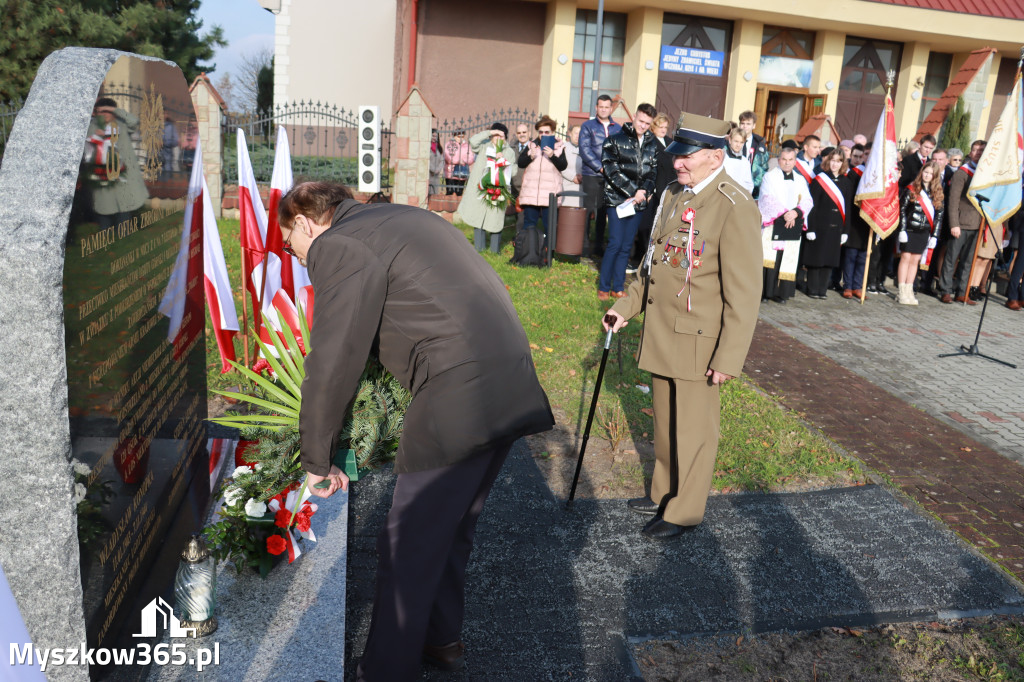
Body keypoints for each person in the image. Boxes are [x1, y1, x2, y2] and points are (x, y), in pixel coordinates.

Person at [278, 182, 554, 681]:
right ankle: (440, 640)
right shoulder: (403, 218)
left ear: (304, 222)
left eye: (288, 244)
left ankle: (386, 671)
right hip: (508, 375)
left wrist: (316, 461)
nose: (295, 257)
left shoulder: (336, 244)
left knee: (407, 541)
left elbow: (334, 357)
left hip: (460, 390)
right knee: (447, 529)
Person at [601, 114, 762, 540]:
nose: (677, 165)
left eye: (687, 158)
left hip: (699, 342)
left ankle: (685, 511)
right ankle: (664, 493)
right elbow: (652, 266)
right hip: (664, 332)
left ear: (714, 157)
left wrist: (728, 357)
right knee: (666, 424)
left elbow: (744, 295)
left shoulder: (734, 207)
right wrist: (624, 306)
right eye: (677, 157)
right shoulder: (676, 194)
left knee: (693, 429)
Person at [598, 102, 657, 300]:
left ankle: (617, 287)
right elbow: (610, 170)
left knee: (626, 246)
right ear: (634, 117)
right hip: (617, 200)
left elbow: (653, 172)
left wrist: (645, 191)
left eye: (648, 123)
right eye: (641, 121)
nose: (643, 126)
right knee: (615, 242)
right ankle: (603, 287)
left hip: (638, 203)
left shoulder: (652, 144)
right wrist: (634, 191)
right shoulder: (614, 140)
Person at [758, 146, 812, 303]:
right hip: (774, 223)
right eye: (784, 160)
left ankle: (780, 293)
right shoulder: (769, 177)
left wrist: (796, 212)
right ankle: (764, 293)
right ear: (779, 160)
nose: (787, 163)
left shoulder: (800, 180)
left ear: (795, 161)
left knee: (785, 258)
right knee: (769, 257)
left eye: (790, 160)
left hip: (792, 224)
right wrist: (785, 213)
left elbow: (808, 200)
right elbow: (766, 198)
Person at [938, 139, 986, 304]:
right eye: (976, 150)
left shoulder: (986, 174)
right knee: (951, 258)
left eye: (981, 150)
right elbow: (953, 200)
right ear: (971, 153)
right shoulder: (962, 173)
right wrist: (954, 224)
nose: (978, 153)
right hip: (960, 223)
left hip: (977, 224)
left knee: (968, 261)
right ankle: (945, 290)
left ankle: (962, 292)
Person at [457, 123, 515, 253]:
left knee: (496, 219)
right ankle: (479, 249)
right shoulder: (484, 147)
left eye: (502, 136)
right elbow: (473, 141)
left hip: (498, 190)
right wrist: (490, 131)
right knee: (478, 217)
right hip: (481, 188)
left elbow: (512, 171)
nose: (498, 138)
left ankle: (495, 250)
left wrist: (503, 162)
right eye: (495, 135)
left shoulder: (509, 152)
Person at [804, 148, 851, 299]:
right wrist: (810, 227)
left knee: (829, 260)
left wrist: (845, 231)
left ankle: (822, 290)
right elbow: (812, 205)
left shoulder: (846, 182)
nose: (835, 164)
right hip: (819, 225)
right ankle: (812, 289)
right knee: (816, 259)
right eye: (833, 160)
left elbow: (848, 208)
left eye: (838, 161)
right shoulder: (820, 179)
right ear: (828, 161)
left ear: (843, 163)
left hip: (836, 227)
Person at [579, 94, 622, 257]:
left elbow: (620, 150)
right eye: (601, 106)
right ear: (596, 108)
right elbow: (585, 150)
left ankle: (598, 246)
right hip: (591, 173)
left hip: (610, 177)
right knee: (587, 210)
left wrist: (613, 169)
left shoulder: (617, 128)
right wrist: (600, 168)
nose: (603, 109)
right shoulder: (587, 126)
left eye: (606, 107)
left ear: (611, 108)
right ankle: (583, 246)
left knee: (603, 211)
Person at [516, 115, 568, 250]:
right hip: (531, 193)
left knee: (549, 226)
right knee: (529, 224)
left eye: (547, 132)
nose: (543, 135)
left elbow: (563, 166)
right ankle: (528, 252)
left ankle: (547, 254)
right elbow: (520, 163)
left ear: (552, 132)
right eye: (540, 132)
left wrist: (552, 155)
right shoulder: (531, 145)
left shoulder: (559, 147)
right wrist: (530, 156)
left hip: (550, 194)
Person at [896, 161, 944, 305]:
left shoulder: (937, 193)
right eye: (925, 172)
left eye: (931, 174)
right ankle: (901, 291)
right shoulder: (911, 188)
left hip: (924, 232)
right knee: (905, 258)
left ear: (935, 177)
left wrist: (935, 235)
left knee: (915, 260)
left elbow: (939, 216)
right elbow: (902, 210)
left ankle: (909, 289)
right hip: (910, 230)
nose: (927, 176)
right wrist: (902, 229)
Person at [738, 110, 769, 197]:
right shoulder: (733, 143)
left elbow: (764, 167)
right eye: (742, 123)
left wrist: (757, 183)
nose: (745, 126)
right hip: (735, 186)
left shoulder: (760, 145)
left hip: (754, 189)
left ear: (753, 125)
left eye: (748, 124)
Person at [723, 125, 755, 193]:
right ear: (730, 140)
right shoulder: (723, 158)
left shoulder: (745, 162)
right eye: (736, 141)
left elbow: (749, 184)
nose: (738, 145)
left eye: (741, 142)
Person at [443, 131, 473, 196]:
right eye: (459, 137)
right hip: (450, 172)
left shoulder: (467, 146)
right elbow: (447, 157)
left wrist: (464, 161)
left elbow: (471, 158)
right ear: (454, 136)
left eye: (463, 137)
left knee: (459, 193)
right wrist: (458, 161)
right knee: (450, 192)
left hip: (462, 173)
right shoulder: (449, 144)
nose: (461, 138)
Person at [560, 124, 584, 207]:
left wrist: (583, 176)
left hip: (581, 188)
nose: (578, 136)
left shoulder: (586, 149)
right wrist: (572, 177)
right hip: (566, 187)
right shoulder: (563, 148)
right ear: (570, 134)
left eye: (580, 133)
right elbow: (559, 166)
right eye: (576, 133)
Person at [429, 129, 444, 196]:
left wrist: (438, 169)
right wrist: (432, 169)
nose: (434, 138)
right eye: (433, 136)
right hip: (429, 173)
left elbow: (442, 160)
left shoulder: (439, 148)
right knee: (428, 192)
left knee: (435, 193)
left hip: (436, 174)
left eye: (436, 136)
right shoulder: (427, 147)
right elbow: (426, 160)